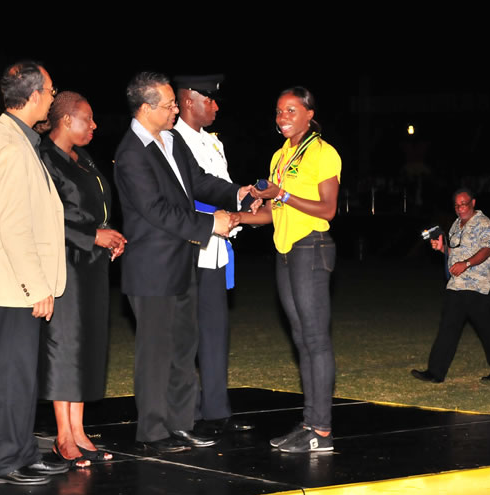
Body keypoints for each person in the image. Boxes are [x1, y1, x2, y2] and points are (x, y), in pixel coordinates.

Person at [113, 72, 248, 454]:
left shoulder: (172, 140)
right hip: (151, 269)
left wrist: (238, 193)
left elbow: (200, 182)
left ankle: (181, 423)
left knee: (184, 348)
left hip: (182, 262)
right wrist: (210, 224)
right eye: (170, 104)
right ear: (146, 108)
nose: (176, 109)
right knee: (156, 353)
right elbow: (157, 211)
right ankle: (153, 433)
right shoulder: (131, 153)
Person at [0, 61, 69, 485]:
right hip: (13, 286)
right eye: (50, 91)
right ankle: (4, 461)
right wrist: (35, 286)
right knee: (11, 376)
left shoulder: (19, 138)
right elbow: (14, 225)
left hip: (17, 285)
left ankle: (23, 451)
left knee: (23, 374)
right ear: (33, 96)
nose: (52, 97)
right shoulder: (10, 144)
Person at [237, 87, 341, 453]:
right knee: (301, 339)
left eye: (291, 110)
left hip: (311, 247)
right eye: (280, 111)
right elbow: (273, 213)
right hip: (285, 251)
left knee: (316, 339)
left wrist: (281, 194)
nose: (283, 117)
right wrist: (239, 216)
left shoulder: (323, 153)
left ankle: (322, 431)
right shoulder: (281, 156)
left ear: (310, 114)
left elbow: (327, 209)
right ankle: (309, 423)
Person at [35, 92, 127, 466]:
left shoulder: (83, 158)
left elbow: (93, 206)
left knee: (88, 344)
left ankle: (78, 430)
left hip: (92, 264)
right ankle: (63, 437)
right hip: (65, 264)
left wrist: (110, 235)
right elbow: (43, 218)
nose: (94, 125)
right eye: (87, 119)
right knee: (65, 346)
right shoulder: (43, 158)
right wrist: (92, 236)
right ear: (66, 120)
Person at [172, 74, 253, 436]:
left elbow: (221, 187)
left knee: (216, 332)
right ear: (189, 101)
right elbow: (193, 191)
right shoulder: (172, 140)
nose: (216, 106)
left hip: (216, 248)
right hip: (188, 247)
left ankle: (217, 412)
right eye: (210, 99)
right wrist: (237, 197)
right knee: (185, 336)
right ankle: (186, 415)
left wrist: (243, 202)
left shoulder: (212, 142)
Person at [411, 189, 490, 383]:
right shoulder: (456, 225)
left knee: (488, 330)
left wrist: (466, 264)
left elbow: (487, 249)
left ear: (473, 202)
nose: (460, 208)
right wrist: (442, 248)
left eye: (463, 203)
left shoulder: (483, 223)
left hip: (478, 286)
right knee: (448, 327)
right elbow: (455, 253)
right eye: (456, 205)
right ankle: (435, 372)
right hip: (456, 285)